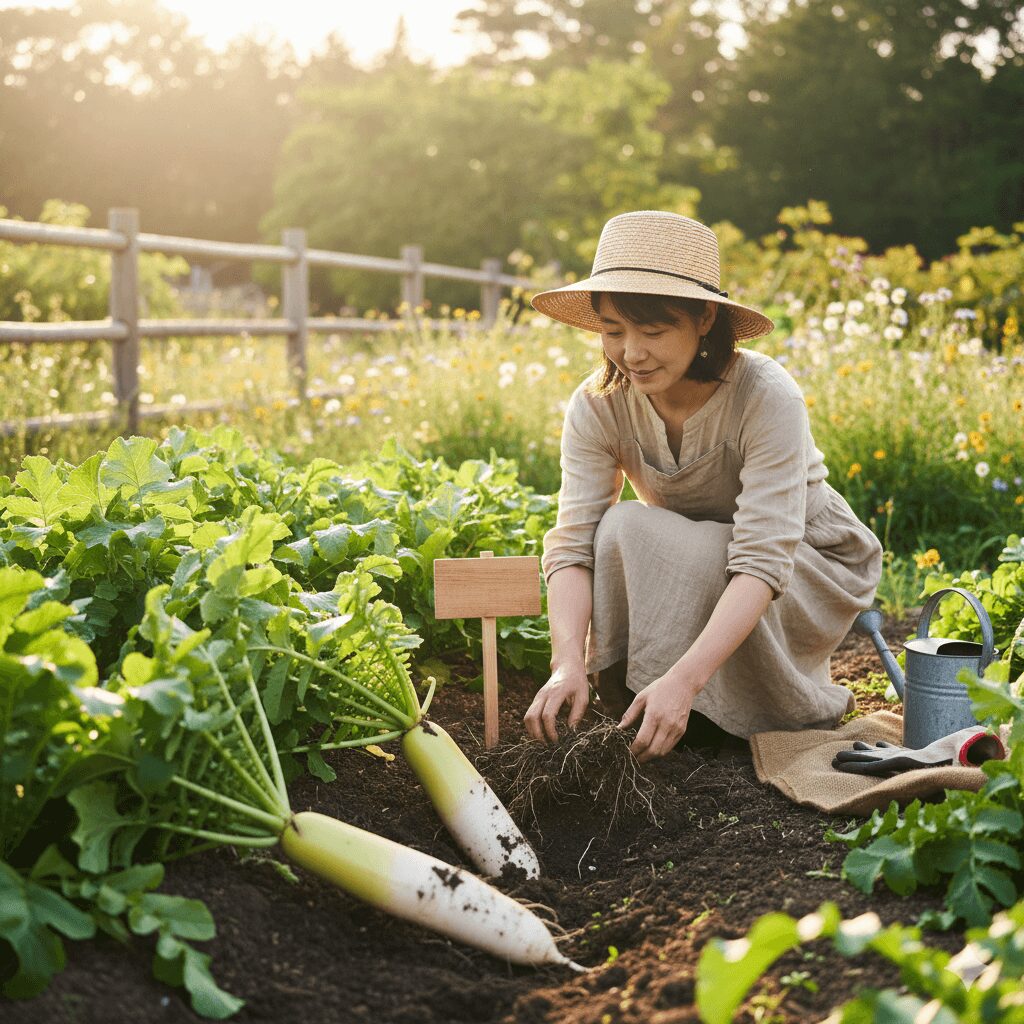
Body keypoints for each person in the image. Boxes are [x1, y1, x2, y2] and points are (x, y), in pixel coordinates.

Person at [522, 210, 884, 764]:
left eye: (653, 330)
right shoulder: (598, 405)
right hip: (698, 551)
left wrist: (685, 681)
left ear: (705, 319)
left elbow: (763, 556)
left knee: (677, 542)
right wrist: (566, 662)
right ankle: (640, 706)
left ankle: (720, 711)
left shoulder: (766, 396)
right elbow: (572, 545)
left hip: (802, 563)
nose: (631, 353)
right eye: (613, 331)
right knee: (622, 528)